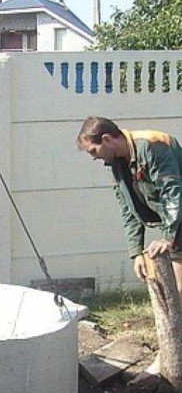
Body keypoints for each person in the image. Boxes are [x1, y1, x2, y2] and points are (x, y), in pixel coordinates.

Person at [77, 116, 182, 303]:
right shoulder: (117, 162)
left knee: (179, 288)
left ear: (107, 139)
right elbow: (129, 209)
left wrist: (167, 238)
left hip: (178, 216)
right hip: (176, 221)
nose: (93, 158)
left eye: (93, 151)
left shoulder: (153, 145)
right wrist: (137, 252)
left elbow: (172, 193)